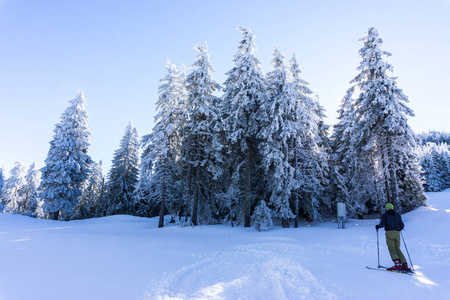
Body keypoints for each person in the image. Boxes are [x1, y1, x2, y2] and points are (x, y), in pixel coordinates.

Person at [375, 203, 411, 272]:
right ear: (392, 208)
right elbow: (402, 225)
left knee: (392, 249)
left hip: (389, 233)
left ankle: (397, 265)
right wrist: (398, 229)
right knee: (398, 249)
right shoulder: (397, 215)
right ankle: (404, 265)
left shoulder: (385, 215)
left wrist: (378, 226)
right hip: (397, 233)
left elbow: (383, 224)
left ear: (386, 208)